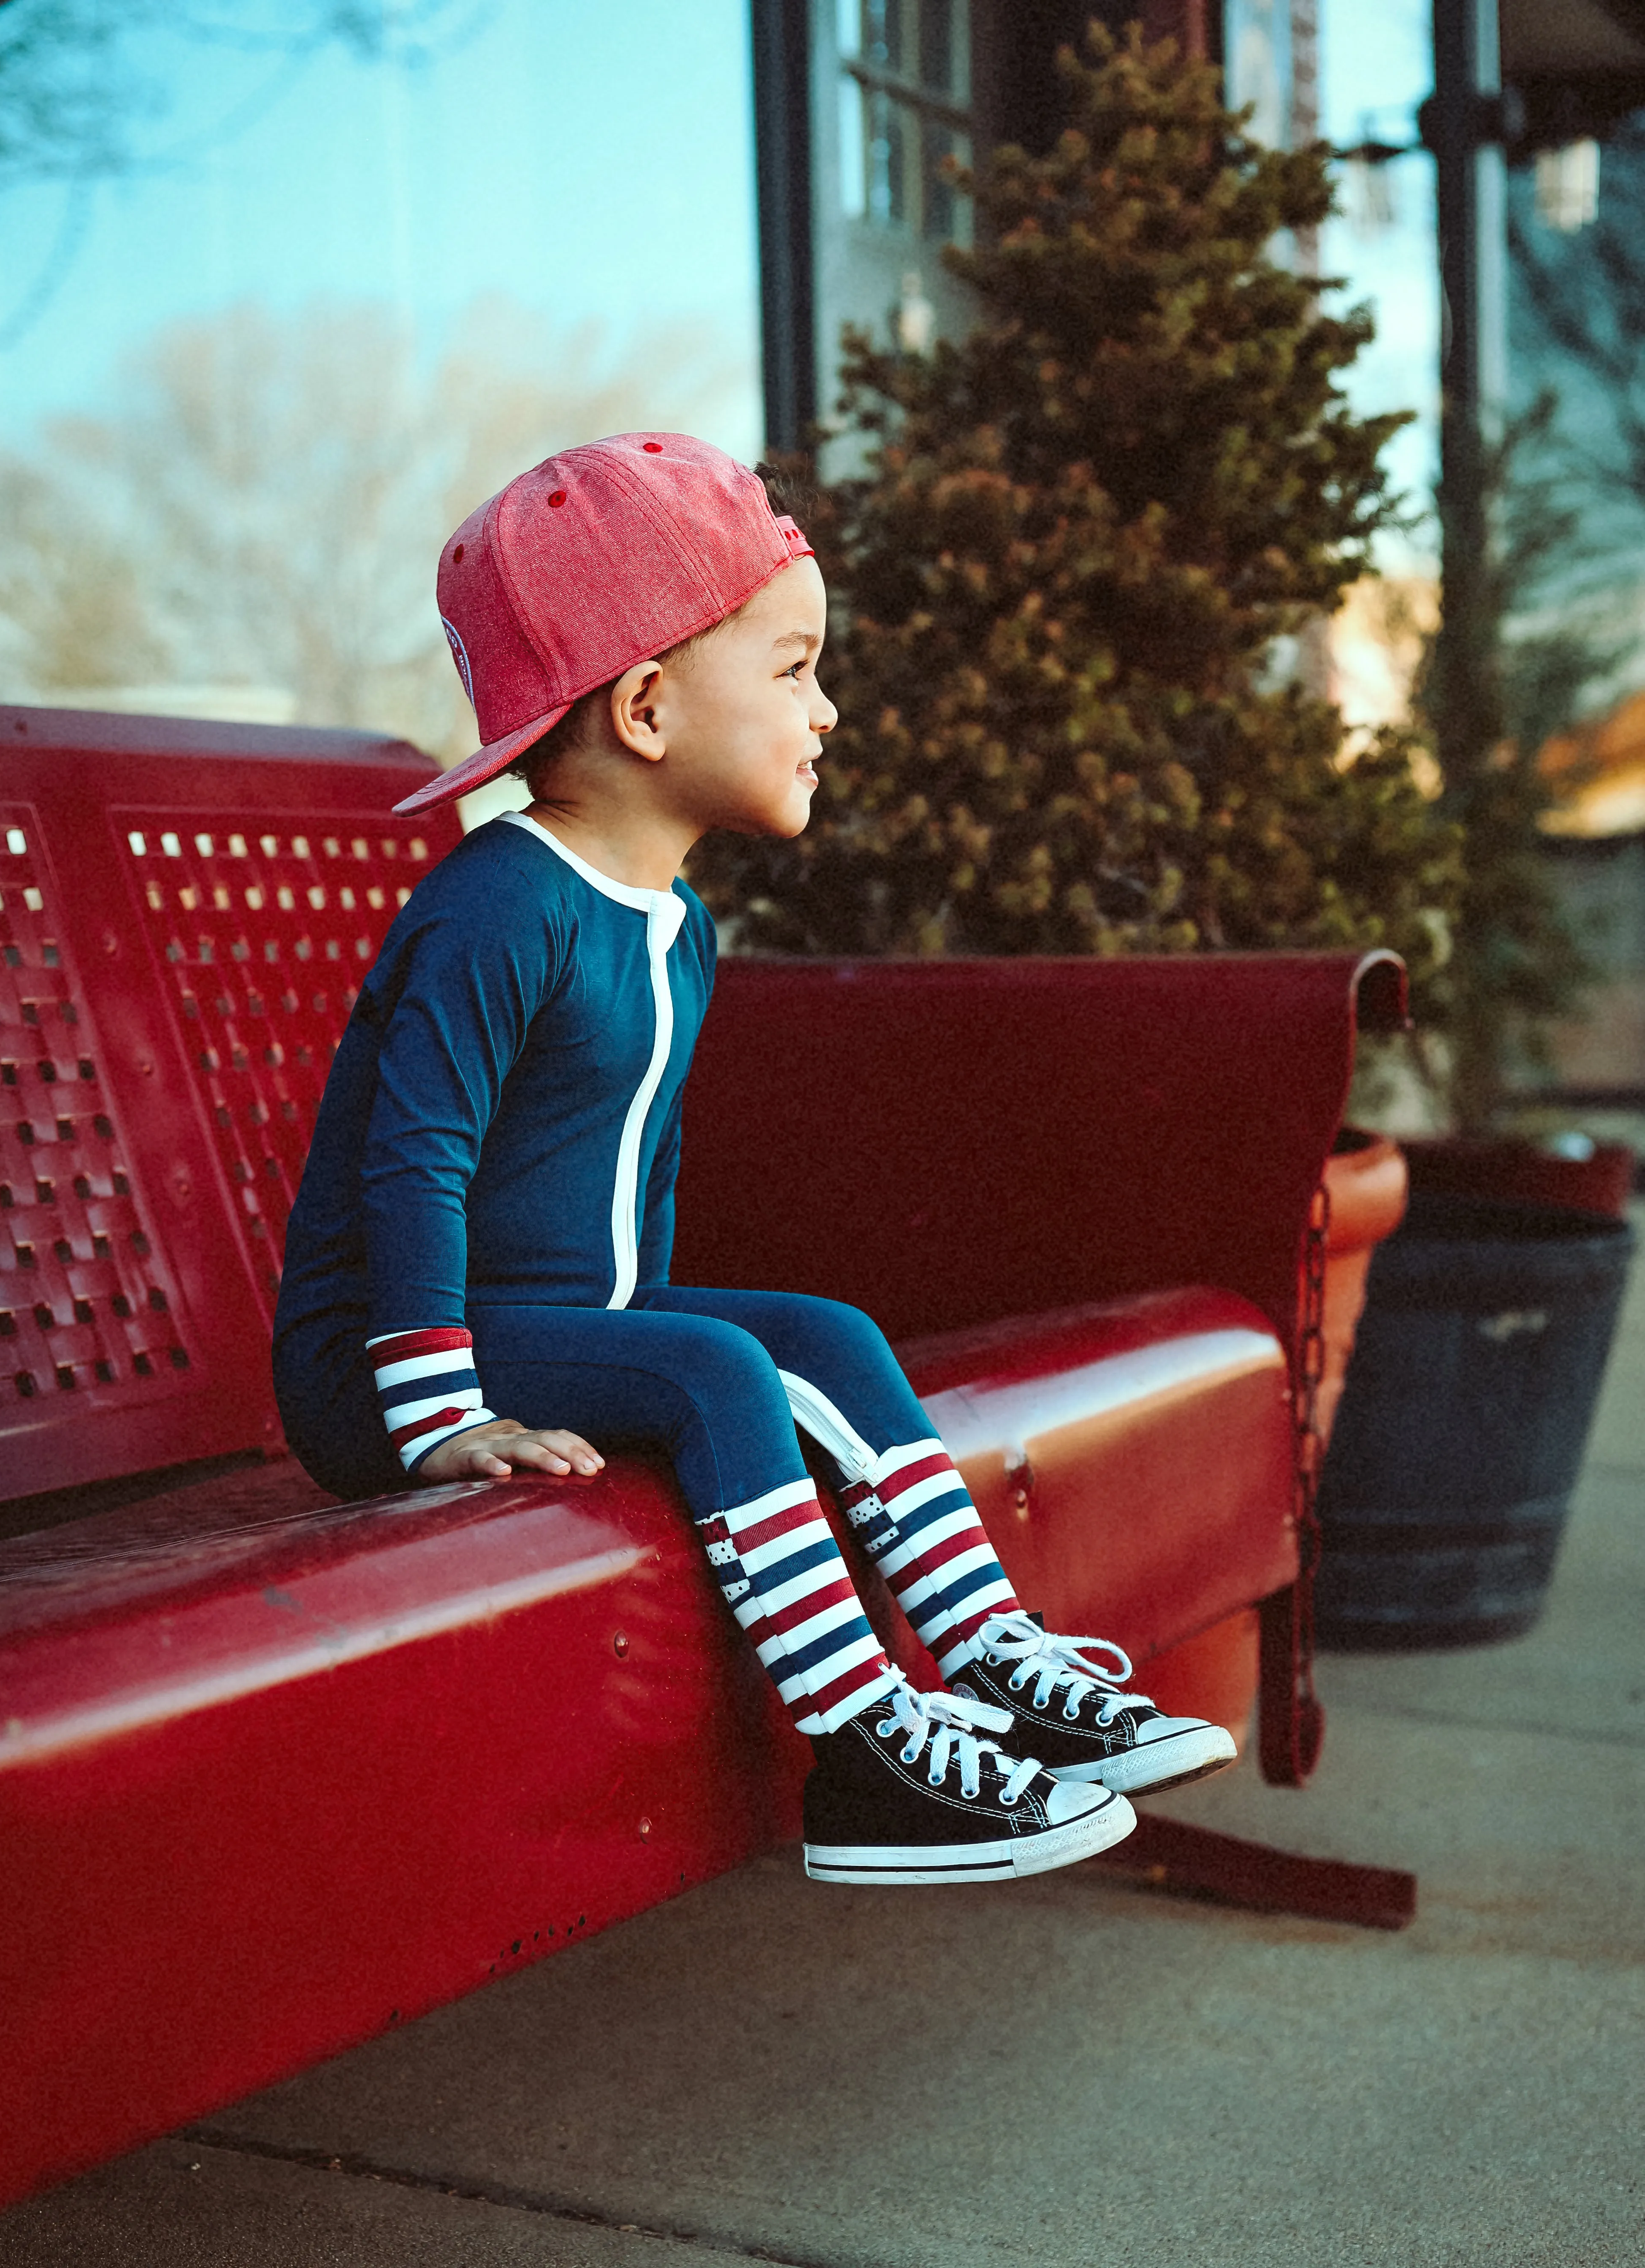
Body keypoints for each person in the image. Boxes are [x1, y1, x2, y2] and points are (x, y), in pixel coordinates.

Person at [274, 432, 1236, 1887]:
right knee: (721, 1370)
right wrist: (434, 1418)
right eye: (792, 669)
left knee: (818, 1334)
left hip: (554, 1337)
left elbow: (637, 1176)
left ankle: (998, 1664)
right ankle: (860, 1756)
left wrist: (648, 1339)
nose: (828, 709)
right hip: (397, 1368)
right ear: (649, 708)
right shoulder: (497, 906)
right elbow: (409, 1163)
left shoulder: (676, 924)